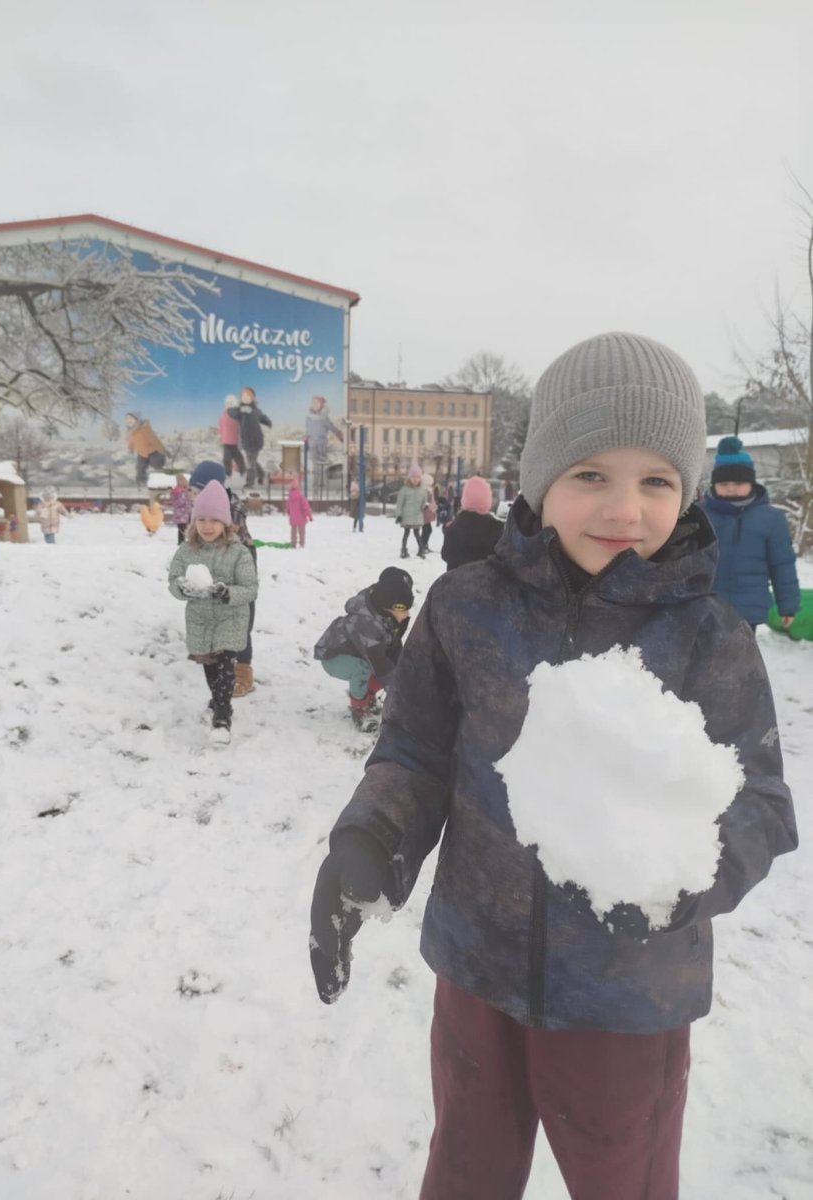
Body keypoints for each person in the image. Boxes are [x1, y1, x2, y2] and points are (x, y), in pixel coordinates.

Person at [309, 331, 798, 1200]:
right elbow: (415, 752)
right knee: (468, 1169)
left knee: (623, 1180)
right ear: (540, 478)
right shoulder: (465, 608)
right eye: (591, 474)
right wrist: (370, 842)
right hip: (477, 967)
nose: (624, 508)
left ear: (686, 492)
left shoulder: (708, 636)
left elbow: (758, 796)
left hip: (628, 995)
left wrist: (689, 878)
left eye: (656, 481)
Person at [168, 481, 258, 746]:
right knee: (210, 667)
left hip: (230, 618)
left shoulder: (238, 552)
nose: (207, 526)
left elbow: (250, 588)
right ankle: (219, 698)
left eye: (214, 520)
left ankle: (222, 716)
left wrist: (226, 593)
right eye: (202, 520)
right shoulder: (186, 551)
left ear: (225, 523)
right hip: (201, 620)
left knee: (225, 664)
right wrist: (183, 588)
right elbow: (174, 579)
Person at [699, 435, 800, 631]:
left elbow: (782, 564)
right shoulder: (699, 514)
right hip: (703, 605)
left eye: (738, 483)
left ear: (751, 482)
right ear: (714, 484)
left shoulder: (771, 518)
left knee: (740, 650)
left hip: (747, 609)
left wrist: (787, 605)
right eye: (724, 484)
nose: (731, 489)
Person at [313, 566, 414, 729]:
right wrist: (398, 694)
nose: (407, 614)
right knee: (366, 668)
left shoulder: (389, 617)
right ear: (387, 605)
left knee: (391, 667)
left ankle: (369, 698)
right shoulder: (366, 623)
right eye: (402, 608)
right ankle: (359, 710)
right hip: (333, 657)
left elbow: (393, 649)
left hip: (362, 654)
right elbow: (379, 663)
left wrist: (402, 672)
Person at [189, 461, 257, 697]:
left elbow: (228, 539)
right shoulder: (204, 508)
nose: (191, 495)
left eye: (195, 491)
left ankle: (243, 672)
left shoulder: (231, 507)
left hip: (240, 564)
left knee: (240, 620)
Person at [440, 475, 503, 571]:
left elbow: (446, 555)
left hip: (457, 578)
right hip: (486, 578)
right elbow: (502, 558)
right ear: (487, 500)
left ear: (465, 499)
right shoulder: (497, 528)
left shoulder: (453, 527)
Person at [228, 387, 272, 487]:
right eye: (244, 396)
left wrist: (268, 422)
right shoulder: (240, 411)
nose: (246, 397)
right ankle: (261, 474)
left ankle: (250, 482)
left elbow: (263, 417)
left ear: (252, 398)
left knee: (250, 463)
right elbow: (231, 412)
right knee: (252, 461)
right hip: (246, 441)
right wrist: (240, 409)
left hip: (256, 440)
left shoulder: (256, 410)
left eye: (248, 396)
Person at [124, 412, 167, 488]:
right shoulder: (132, 432)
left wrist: (162, 450)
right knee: (140, 468)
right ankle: (141, 482)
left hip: (154, 452)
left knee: (157, 467)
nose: (129, 421)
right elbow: (132, 441)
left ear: (137, 420)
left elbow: (155, 440)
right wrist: (130, 448)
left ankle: (161, 481)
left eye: (132, 420)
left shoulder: (144, 429)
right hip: (142, 454)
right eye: (128, 420)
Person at [395, 463, 428, 559]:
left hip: (417, 516)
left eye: (417, 477)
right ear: (409, 478)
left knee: (417, 534)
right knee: (406, 533)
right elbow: (399, 503)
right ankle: (403, 550)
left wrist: (424, 507)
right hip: (406, 516)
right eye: (413, 477)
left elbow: (424, 502)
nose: (415, 479)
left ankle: (421, 550)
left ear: (420, 479)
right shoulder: (404, 490)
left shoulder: (422, 491)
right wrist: (398, 515)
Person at [218, 396, 246, 479]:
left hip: (235, 441)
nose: (228, 405)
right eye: (227, 403)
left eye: (230, 404)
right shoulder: (223, 415)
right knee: (226, 458)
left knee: (238, 457)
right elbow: (221, 425)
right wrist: (220, 434)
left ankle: (243, 471)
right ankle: (228, 473)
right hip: (226, 441)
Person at [286, 478, 313, 548]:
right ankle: (302, 543)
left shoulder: (290, 497)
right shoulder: (301, 496)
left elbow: (288, 506)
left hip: (293, 517)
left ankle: (293, 543)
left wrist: (289, 512)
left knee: (293, 531)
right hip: (301, 517)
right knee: (302, 531)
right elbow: (306, 507)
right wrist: (310, 516)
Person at [170, 473, 192, 544]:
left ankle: (183, 541)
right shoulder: (178, 491)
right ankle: (181, 542)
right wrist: (187, 498)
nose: (184, 481)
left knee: (185, 528)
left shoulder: (184, 490)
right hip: (181, 513)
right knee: (182, 528)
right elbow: (180, 502)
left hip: (185, 513)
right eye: (181, 480)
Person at [420, 473, 438, 552]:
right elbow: (424, 502)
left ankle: (424, 545)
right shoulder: (424, 490)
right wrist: (429, 506)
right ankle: (423, 545)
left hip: (428, 513)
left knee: (427, 530)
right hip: (425, 514)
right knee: (427, 530)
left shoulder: (428, 490)